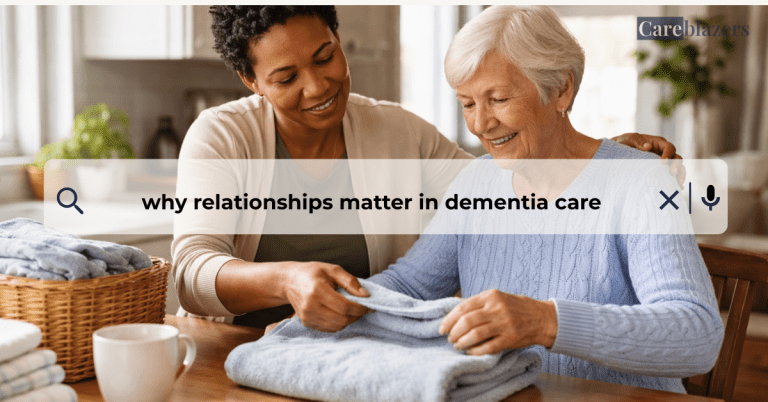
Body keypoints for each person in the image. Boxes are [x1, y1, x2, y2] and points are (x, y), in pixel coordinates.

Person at [172, 5, 683, 330]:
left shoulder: (395, 130)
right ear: (250, 80)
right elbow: (190, 273)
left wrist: (596, 154)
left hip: (360, 342)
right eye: (285, 77)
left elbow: (502, 183)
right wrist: (285, 280)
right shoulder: (223, 137)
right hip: (234, 346)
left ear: (338, 38)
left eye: (325, 56)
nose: (317, 85)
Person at [366, 5, 723, 393]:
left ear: (560, 89)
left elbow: (698, 334)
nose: (480, 124)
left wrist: (545, 321)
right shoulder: (475, 185)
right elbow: (409, 286)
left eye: (498, 99)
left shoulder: (640, 181)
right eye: (467, 103)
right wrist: (317, 297)